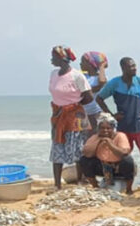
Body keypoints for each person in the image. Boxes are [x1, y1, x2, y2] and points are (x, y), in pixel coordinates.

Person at [48, 45, 93, 190]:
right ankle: (57, 184)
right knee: (57, 148)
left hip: (74, 117)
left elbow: (89, 97)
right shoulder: (54, 74)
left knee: (77, 148)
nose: (51, 59)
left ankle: (81, 180)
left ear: (61, 58)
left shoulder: (77, 76)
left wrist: (73, 105)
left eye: (53, 57)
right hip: (58, 116)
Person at [96, 57, 140, 160]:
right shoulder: (115, 83)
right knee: (123, 156)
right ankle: (128, 175)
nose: (134, 68)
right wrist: (112, 115)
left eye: (135, 66)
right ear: (123, 68)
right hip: (123, 127)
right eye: (131, 66)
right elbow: (99, 98)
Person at [80, 113, 135, 194]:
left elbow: (124, 153)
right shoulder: (95, 137)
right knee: (84, 160)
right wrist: (98, 141)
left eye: (108, 128)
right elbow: (87, 154)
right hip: (102, 167)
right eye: (102, 128)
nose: (105, 130)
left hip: (118, 168)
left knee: (128, 160)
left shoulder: (120, 136)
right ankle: (95, 186)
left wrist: (110, 143)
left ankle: (129, 189)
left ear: (113, 128)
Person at [80, 52, 108, 134]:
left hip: (96, 112)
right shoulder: (83, 76)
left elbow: (102, 81)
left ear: (90, 63)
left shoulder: (99, 78)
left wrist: (101, 66)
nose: (80, 64)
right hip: (83, 112)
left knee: (96, 135)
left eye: (83, 62)